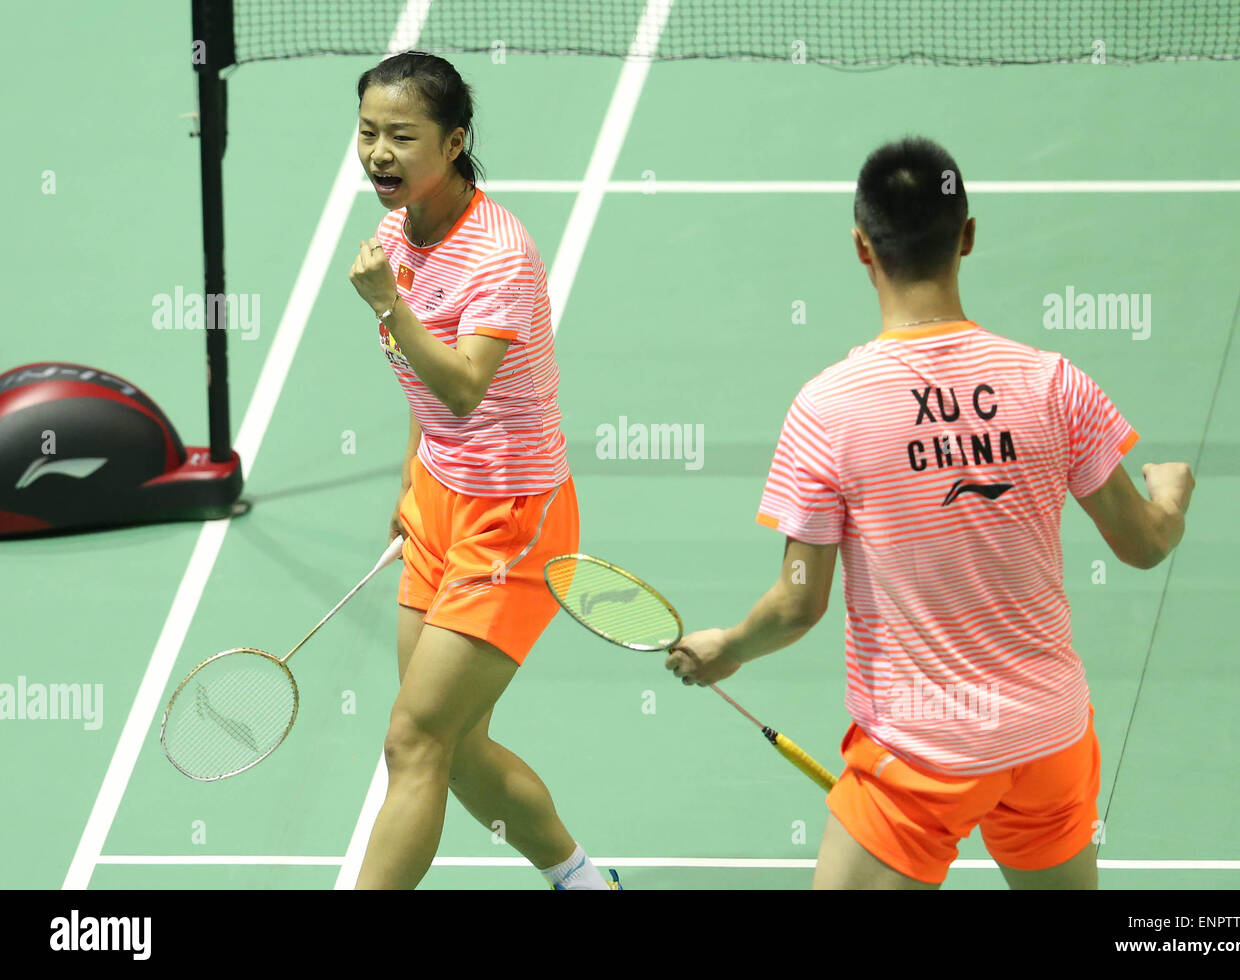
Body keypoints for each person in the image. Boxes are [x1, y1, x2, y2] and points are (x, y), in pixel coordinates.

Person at [664, 136, 1195, 890]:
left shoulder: (829, 409)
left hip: (919, 754)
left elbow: (798, 601)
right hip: (1049, 738)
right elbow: (1143, 544)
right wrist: (1170, 494)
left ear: (861, 248)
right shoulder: (1054, 385)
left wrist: (729, 648)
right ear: (968, 236)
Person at [347, 51, 618, 890]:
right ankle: (582, 880)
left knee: (411, 740)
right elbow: (422, 392)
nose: (378, 154)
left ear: (455, 140)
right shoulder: (398, 235)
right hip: (439, 500)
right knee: (453, 747)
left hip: (514, 516)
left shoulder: (497, 252)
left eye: (402, 136)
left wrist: (389, 300)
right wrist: (408, 480)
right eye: (366, 133)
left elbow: (464, 386)